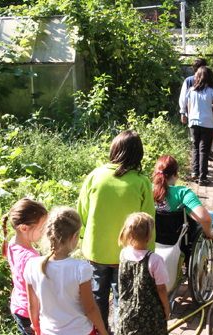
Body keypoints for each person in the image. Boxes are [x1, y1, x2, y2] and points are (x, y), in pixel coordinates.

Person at [77, 130, 156, 332]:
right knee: (125, 299)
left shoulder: (95, 176)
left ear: (114, 150)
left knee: (97, 298)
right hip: (129, 255)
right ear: (138, 154)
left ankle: (100, 331)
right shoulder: (142, 182)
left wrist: (84, 240)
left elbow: (81, 215)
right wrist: (149, 255)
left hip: (96, 252)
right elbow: (149, 224)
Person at [24, 207, 109, 335]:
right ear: (74, 236)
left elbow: (33, 305)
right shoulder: (81, 268)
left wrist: (36, 329)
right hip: (80, 331)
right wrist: (103, 331)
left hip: (48, 331)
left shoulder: (31, 265)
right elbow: (90, 308)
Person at [115, 212, 169, 335]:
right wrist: (166, 307)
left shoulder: (123, 253)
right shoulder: (155, 260)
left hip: (126, 312)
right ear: (149, 236)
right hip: (150, 316)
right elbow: (161, 288)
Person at [1, 199, 49, 335]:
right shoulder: (31, 258)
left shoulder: (13, 242)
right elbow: (39, 290)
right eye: (41, 227)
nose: (44, 231)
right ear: (23, 228)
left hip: (18, 306)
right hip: (31, 313)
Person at [153, 155, 213, 241]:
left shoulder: (148, 189)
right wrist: (208, 234)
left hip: (154, 235)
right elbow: (205, 219)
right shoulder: (183, 193)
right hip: (179, 238)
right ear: (176, 173)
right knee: (211, 215)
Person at [185, 66, 213, 185]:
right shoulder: (212, 92)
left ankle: (194, 172)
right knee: (204, 150)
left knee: (195, 147)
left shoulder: (191, 90)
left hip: (194, 123)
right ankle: (203, 177)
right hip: (207, 123)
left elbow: (189, 109)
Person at [178, 58, 208, 123]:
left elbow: (183, 98)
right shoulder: (209, 80)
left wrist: (183, 112)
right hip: (207, 114)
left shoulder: (188, 80)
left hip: (192, 114)